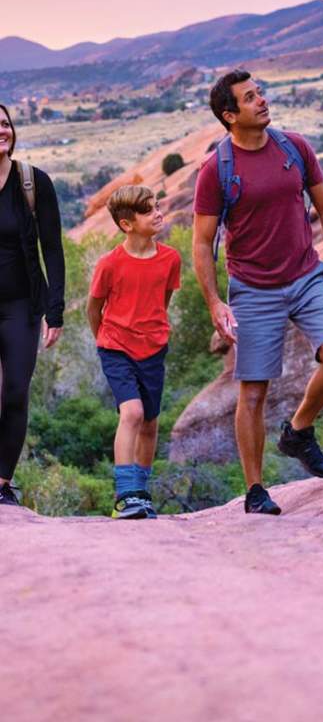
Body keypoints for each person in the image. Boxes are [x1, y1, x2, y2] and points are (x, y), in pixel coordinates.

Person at [192, 70, 323, 516]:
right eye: (250, 98)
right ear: (230, 115)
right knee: (252, 393)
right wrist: (214, 300)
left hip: (306, 276)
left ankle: (299, 430)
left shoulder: (294, 147)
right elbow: (200, 242)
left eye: (260, 93)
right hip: (253, 288)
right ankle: (255, 491)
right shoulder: (217, 169)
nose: (262, 101)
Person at [87, 185, 181, 520]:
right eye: (149, 210)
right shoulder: (110, 264)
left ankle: (141, 493)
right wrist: (106, 341)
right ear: (127, 224)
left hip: (153, 348)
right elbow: (93, 308)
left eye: (158, 206)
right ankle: (125, 496)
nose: (159, 213)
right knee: (132, 414)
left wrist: (152, 331)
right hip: (115, 347)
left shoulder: (170, 258)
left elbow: (162, 301)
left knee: (151, 422)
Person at [0, 103, 65, 507]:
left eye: (4, 124)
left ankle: (2, 483)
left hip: (23, 305)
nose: (0, 131)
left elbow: (53, 250)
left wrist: (55, 310)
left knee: (16, 394)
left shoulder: (32, 182)